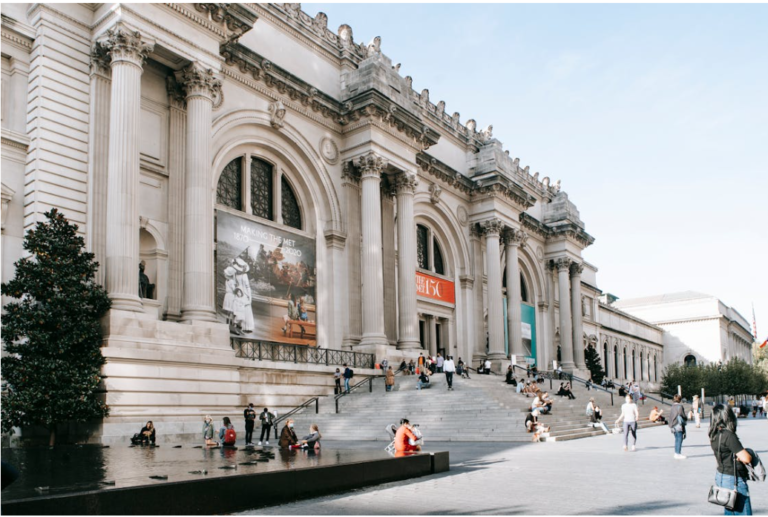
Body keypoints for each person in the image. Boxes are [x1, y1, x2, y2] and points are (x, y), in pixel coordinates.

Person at [710, 404, 753, 515]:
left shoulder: (714, 434)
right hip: (733, 478)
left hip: (721, 475)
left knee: (730, 509)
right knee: (742, 511)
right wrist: (748, 453)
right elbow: (746, 458)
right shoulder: (729, 435)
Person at [669, 394, 688, 459]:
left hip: (673, 424)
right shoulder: (680, 406)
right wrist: (686, 418)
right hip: (678, 424)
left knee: (677, 438)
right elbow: (682, 414)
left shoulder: (672, 406)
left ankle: (676, 452)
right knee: (679, 439)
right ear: (679, 399)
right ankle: (678, 453)